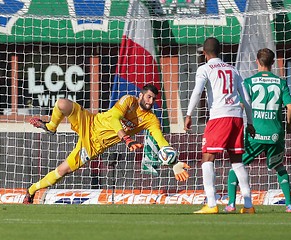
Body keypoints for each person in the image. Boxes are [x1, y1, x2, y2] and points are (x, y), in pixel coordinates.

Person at [23, 83, 190, 204]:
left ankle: (31, 191)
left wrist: (174, 163)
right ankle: (51, 126)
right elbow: (114, 119)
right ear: (141, 95)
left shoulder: (151, 119)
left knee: (62, 170)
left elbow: (160, 140)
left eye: (153, 99)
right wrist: (126, 138)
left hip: (94, 146)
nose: (150, 101)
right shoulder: (128, 101)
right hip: (90, 122)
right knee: (62, 104)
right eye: (148, 97)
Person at [184, 37, 256, 214]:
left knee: (207, 158)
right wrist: (251, 122)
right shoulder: (233, 69)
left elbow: (197, 91)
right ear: (219, 51)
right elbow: (246, 98)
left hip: (219, 117)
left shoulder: (205, 68)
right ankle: (248, 205)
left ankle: (211, 204)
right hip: (237, 118)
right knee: (237, 162)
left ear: (204, 53)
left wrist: (188, 114)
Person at [225, 48, 291, 213]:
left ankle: (231, 204)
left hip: (254, 133)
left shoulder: (249, 82)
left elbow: (241, 106)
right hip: (275, 133)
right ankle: (289, 205)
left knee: (236, 166)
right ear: (272, 63)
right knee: (279, 167)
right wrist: (289, 124)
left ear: (257, 61)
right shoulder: (281, 82)